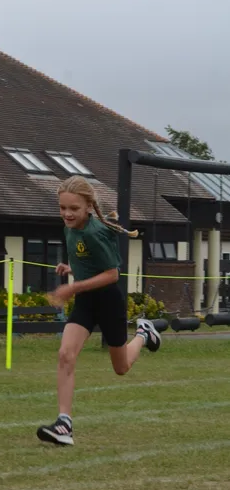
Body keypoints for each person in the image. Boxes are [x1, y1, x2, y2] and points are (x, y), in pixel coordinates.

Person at [37, 176, 161, 446]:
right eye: (62, 208)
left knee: (121, 367)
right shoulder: (70, 229)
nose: (67, 214)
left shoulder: (95, 232)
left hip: (108, 301)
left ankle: (144, 333)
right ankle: (64, 425)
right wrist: (72, 269)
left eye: (74, 209)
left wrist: (74, 286)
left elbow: (112, 274)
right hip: (85, 301)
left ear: (89, 207)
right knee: (65, 354)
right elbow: (86, 259)